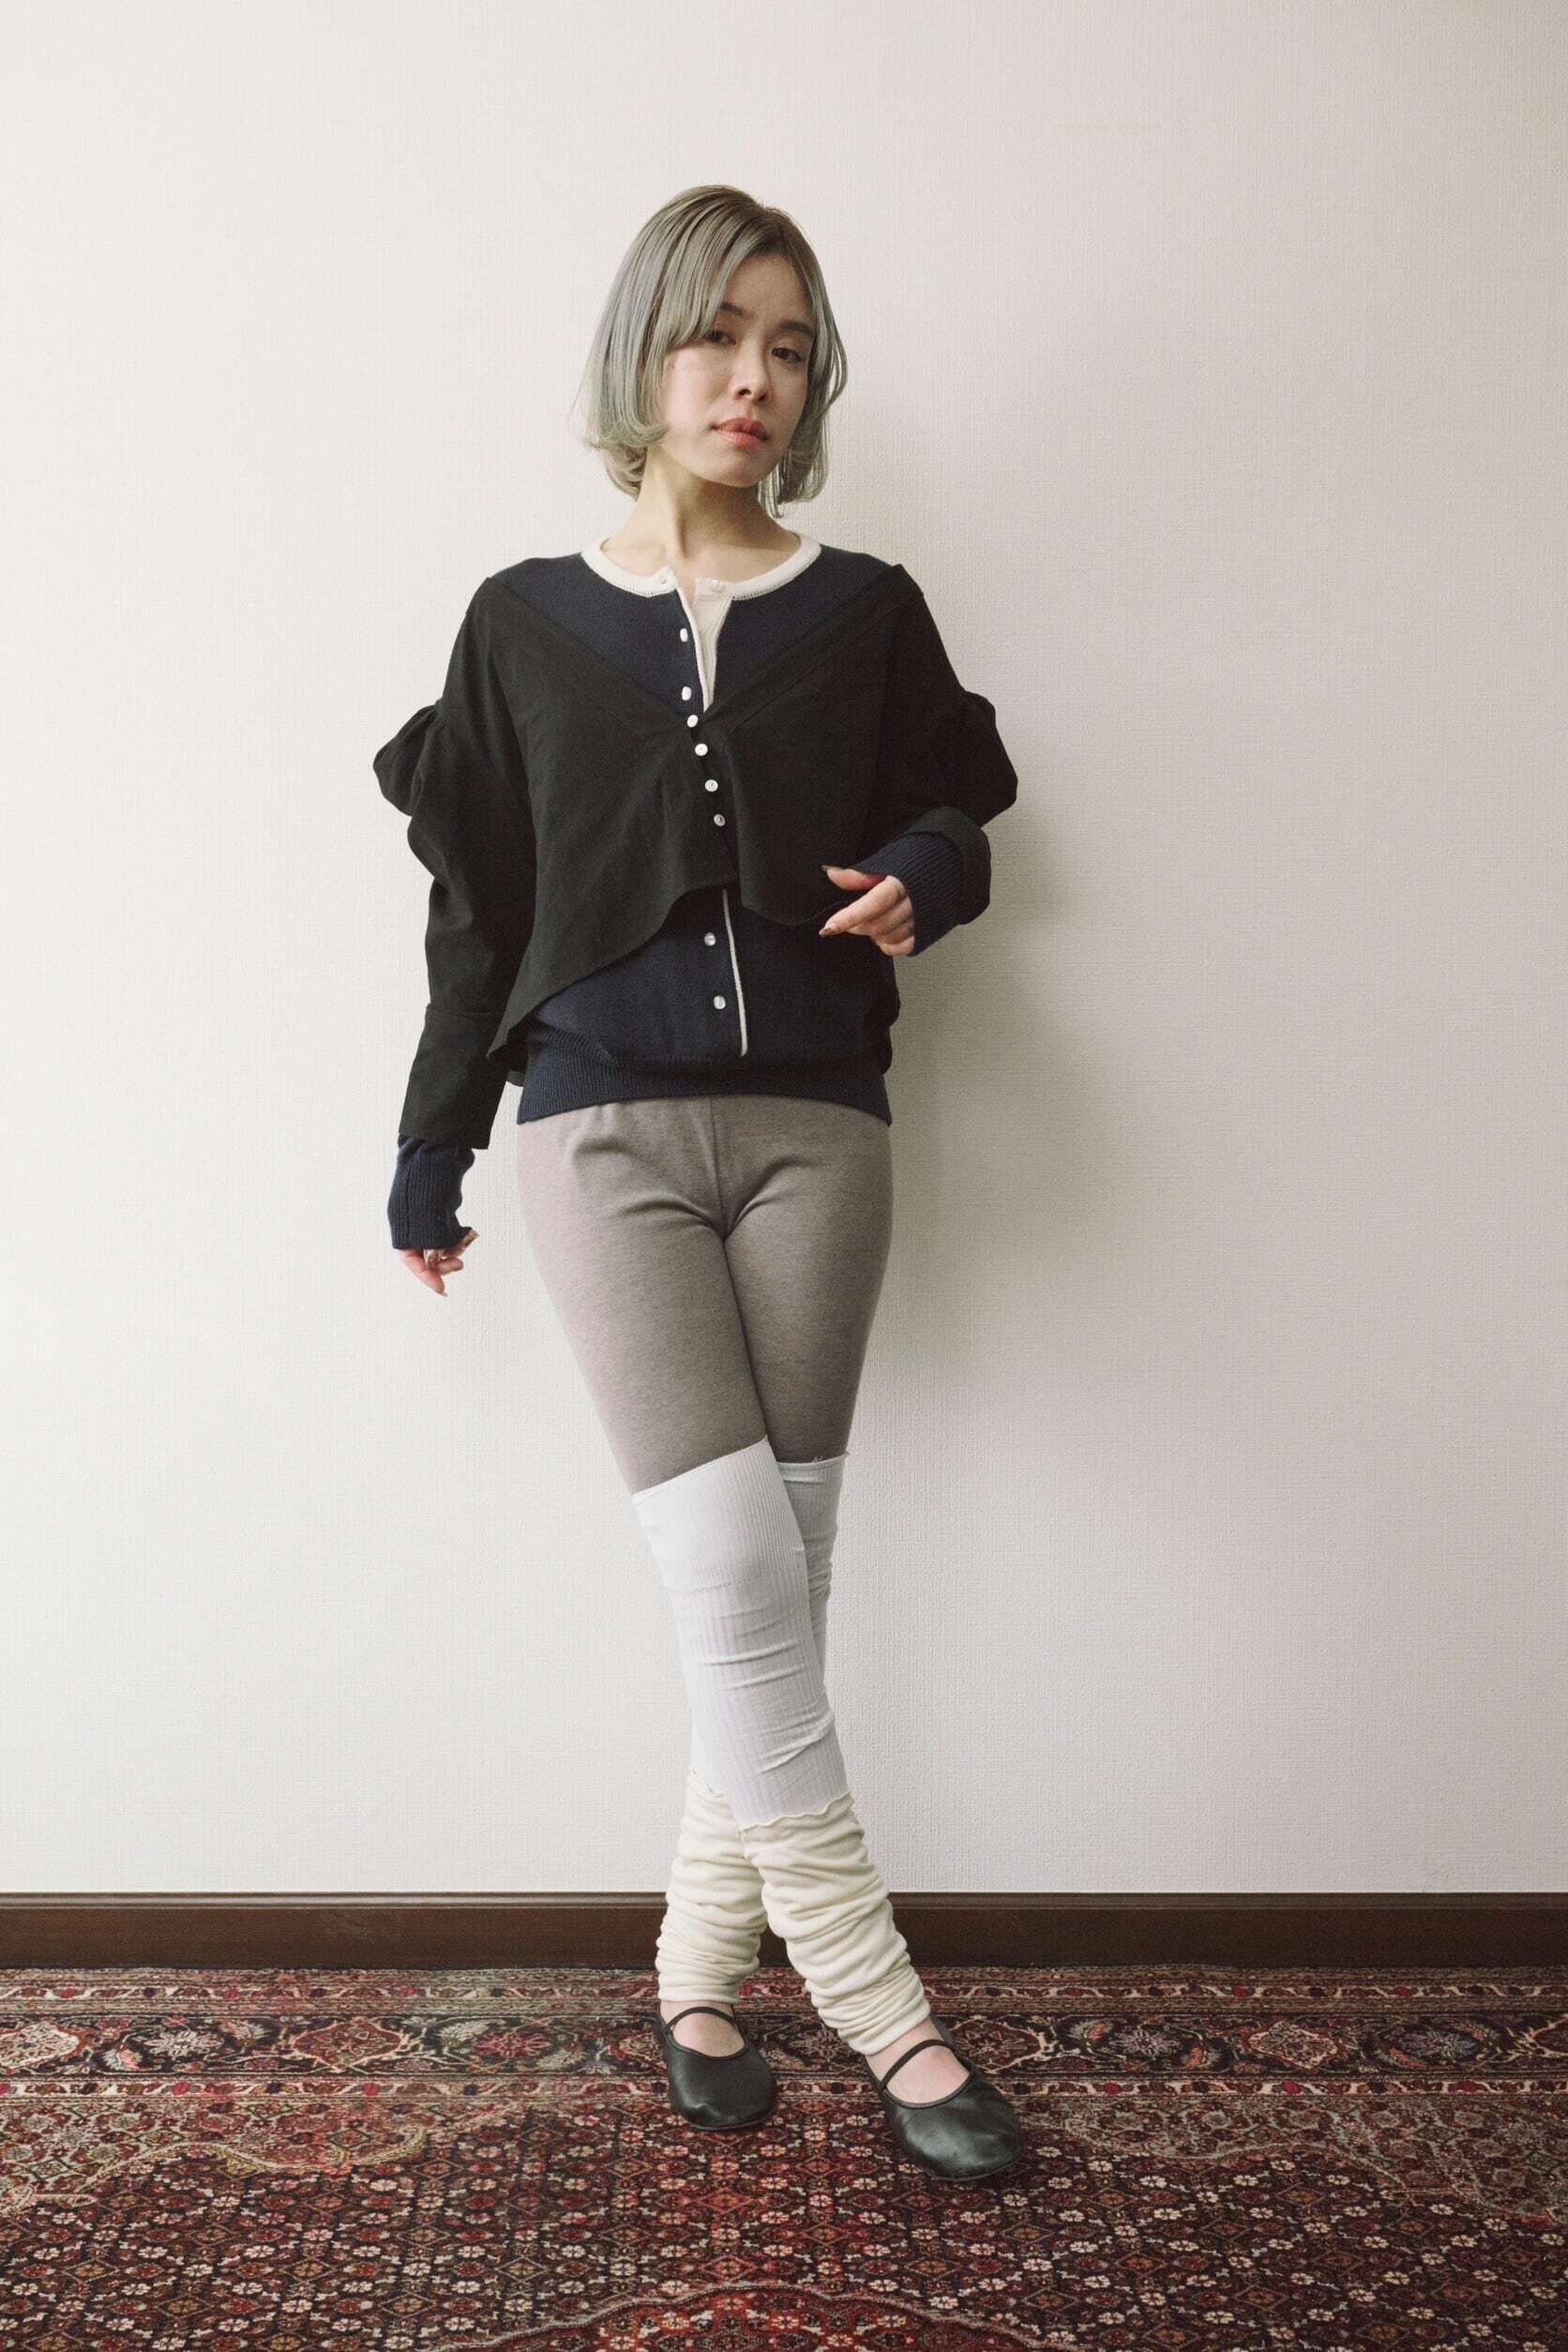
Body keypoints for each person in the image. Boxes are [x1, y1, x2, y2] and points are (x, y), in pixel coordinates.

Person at [378, 185, 1024, 2183]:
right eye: (716, 335)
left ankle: (690, 1969)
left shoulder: (865, 609)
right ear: (644, 352)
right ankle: (887, 2011)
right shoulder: (523, 623)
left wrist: (925, 874)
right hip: (601, 1132)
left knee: (776, 1583)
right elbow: (479, 909)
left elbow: (960, 802)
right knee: (736, 1574)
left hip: (822, 1125)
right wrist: (429, 1139)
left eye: (789, 348)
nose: (753, 379)